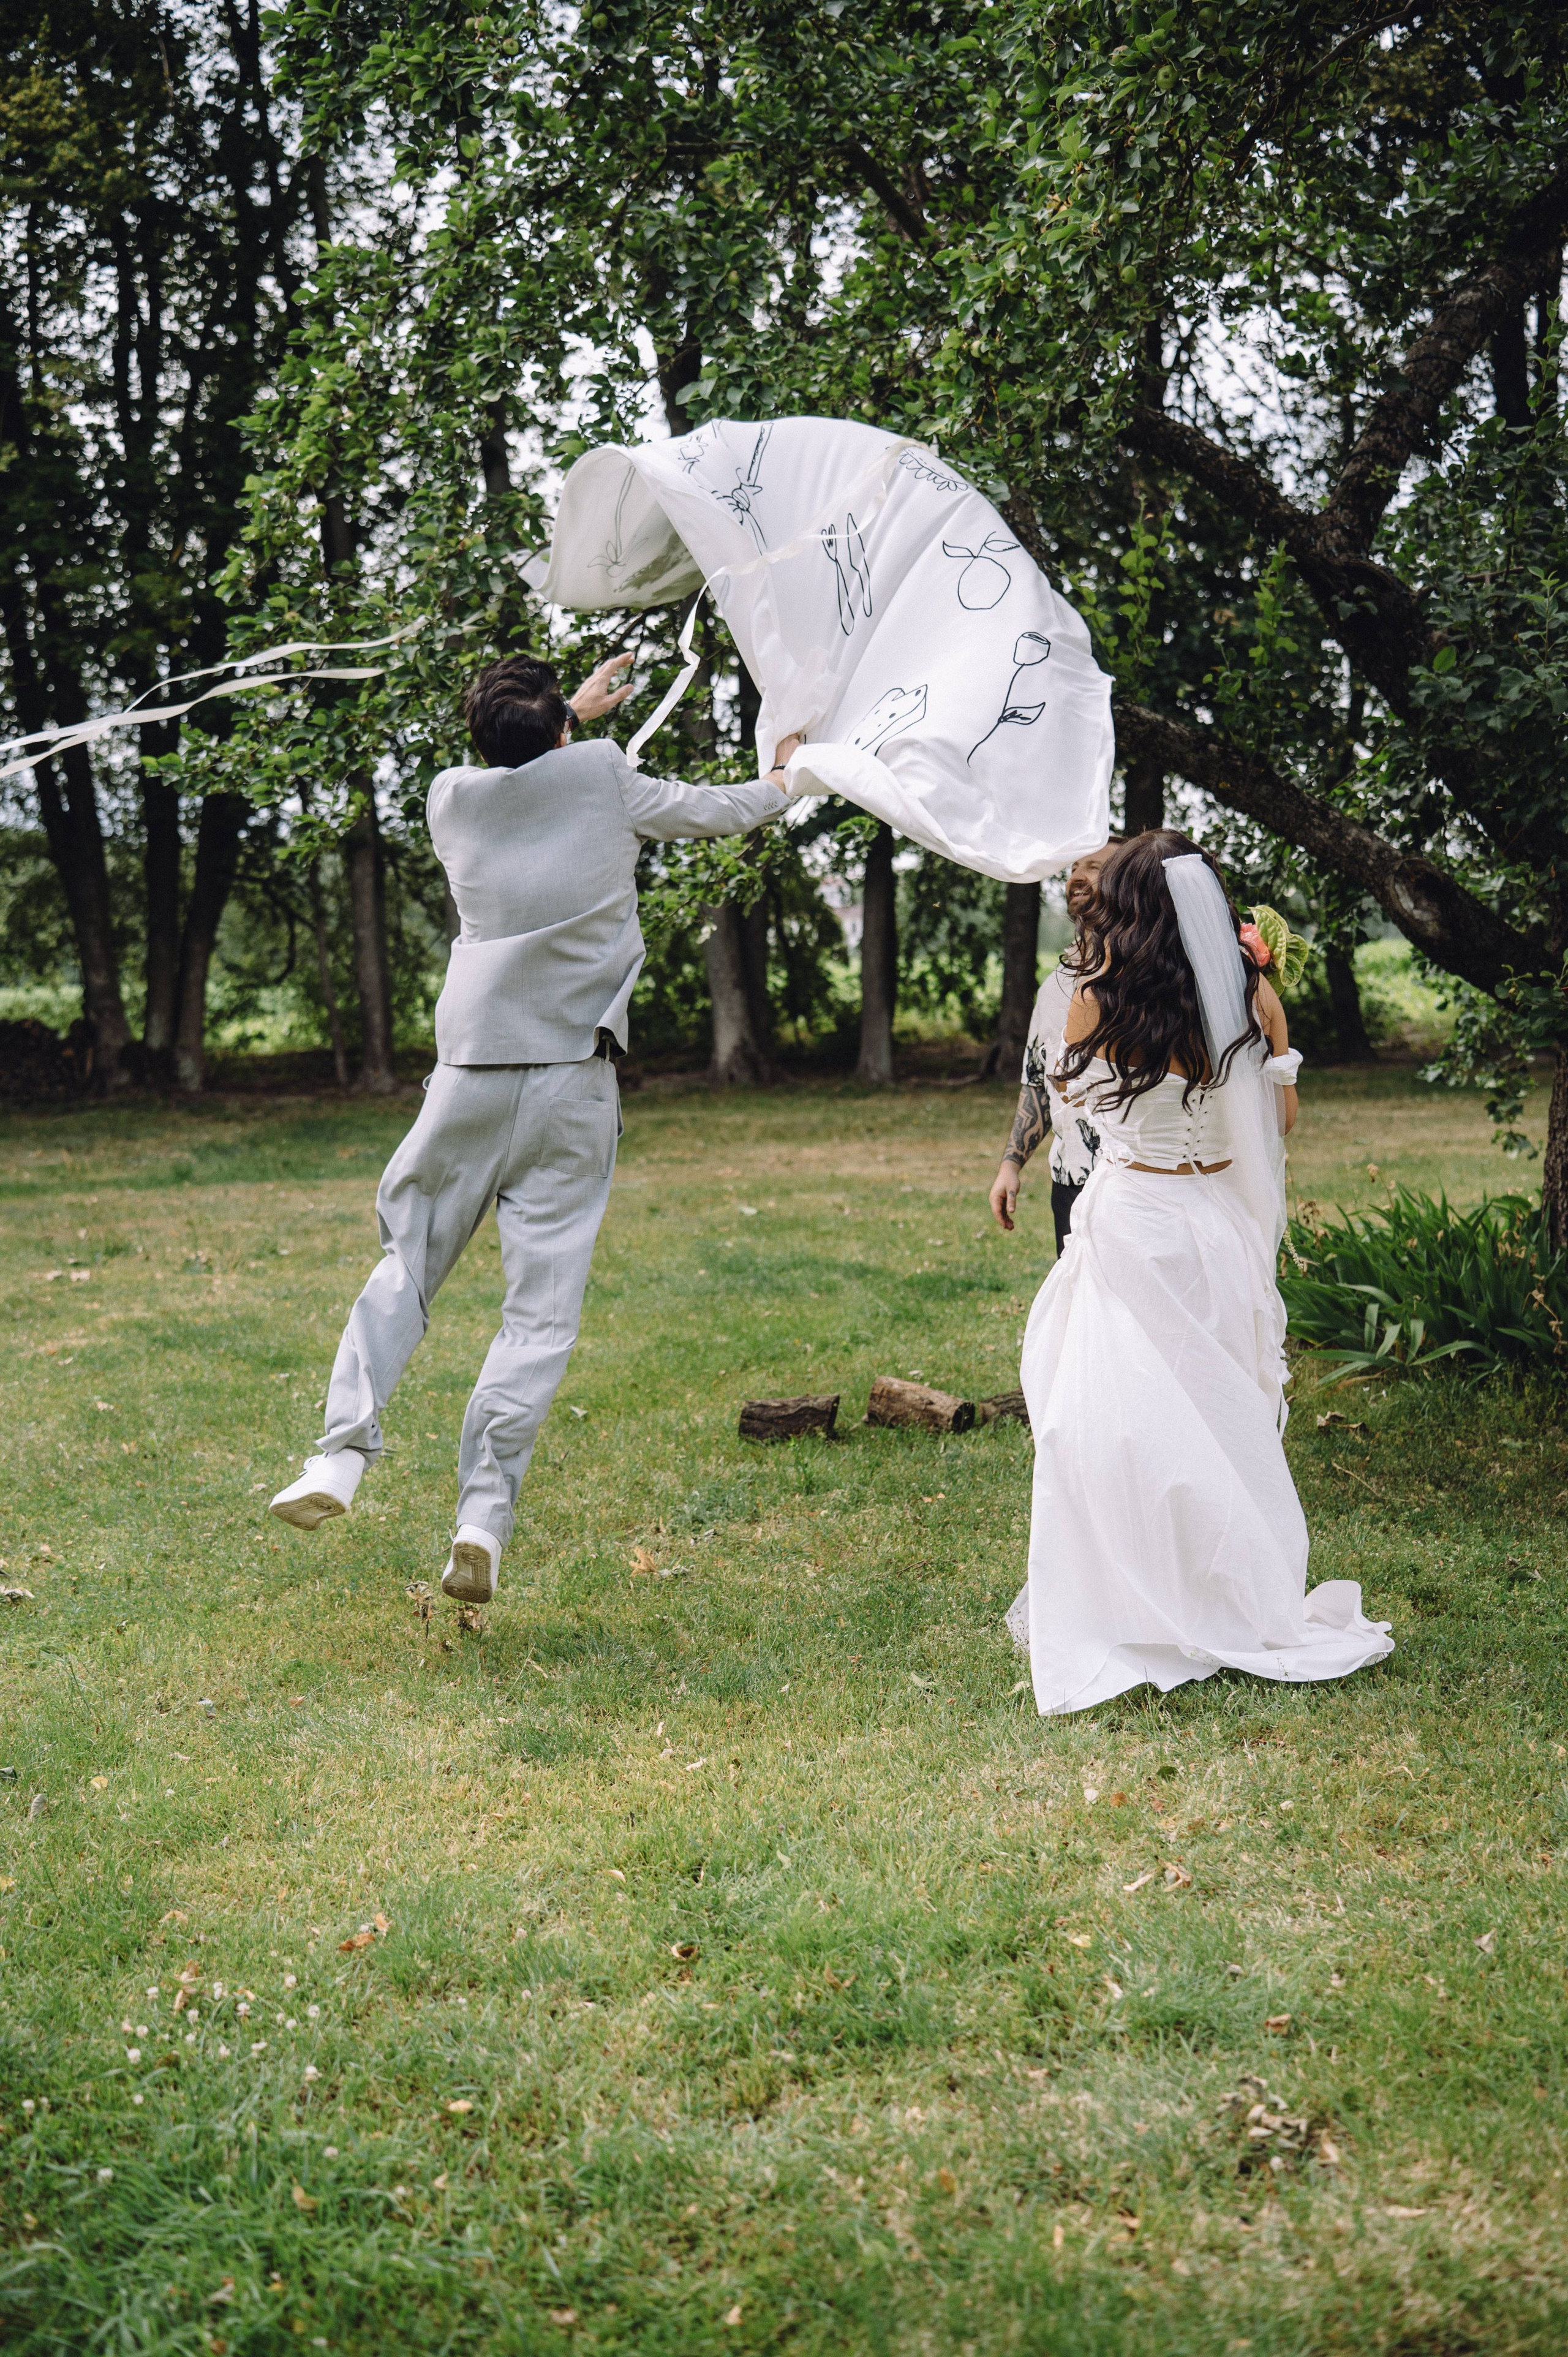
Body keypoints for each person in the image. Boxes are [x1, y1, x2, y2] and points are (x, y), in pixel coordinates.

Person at [269, 651, 802, 1602]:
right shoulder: (603, 773)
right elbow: (720, 808)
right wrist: (784, 773)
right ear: (563, 731)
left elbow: (515, 763)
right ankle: (482, 1517)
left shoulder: (449, 800)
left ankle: (339, 1457)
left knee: (408, 1265)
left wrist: (565, 715)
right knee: (539, 1314)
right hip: (570, 1080)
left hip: (470, 1075)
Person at [1007, 828, 1393, 1716]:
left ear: (1130, 909)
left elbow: (1085, 1111)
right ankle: (1225, 1593)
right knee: (1222, 1417)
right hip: (1215, 1223)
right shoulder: (1254, 998)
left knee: (1111, 1421)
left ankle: (1132, 1596)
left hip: (1136, 1219)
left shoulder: (1094, 1000)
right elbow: (1276, 1125)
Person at [989, 840, 1113, 1256]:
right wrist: (1011, 1164)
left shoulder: (1155, 975)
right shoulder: (1058, 982)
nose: (1077, 875)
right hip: (1071, 1183)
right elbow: (1039, 1082)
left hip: (1138, 1182)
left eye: (1094, 867)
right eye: (1075, 866)